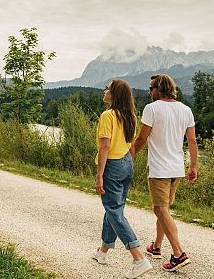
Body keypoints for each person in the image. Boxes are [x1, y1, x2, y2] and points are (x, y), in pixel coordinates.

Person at [131, 74, 198, 272]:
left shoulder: (152, 108)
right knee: (164, 209)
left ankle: (179, 254)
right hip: (177, 168)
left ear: (159, 89)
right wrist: (193, 166)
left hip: (159, 169)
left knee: (160, 209)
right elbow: (192, 141)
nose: (149, 91)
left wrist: (129, 157)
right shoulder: (186, 110)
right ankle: (157, 247)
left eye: (151, 87)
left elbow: (142, 139)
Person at [92, 79, 152, 279]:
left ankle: (139, 258)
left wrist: (100, 174)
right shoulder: (130, 116)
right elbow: (130, 144)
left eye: (107, 88)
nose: (104, 91)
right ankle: (103, 251)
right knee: (114, 208)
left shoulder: (107, 115)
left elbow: (105, 147)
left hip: (112, 165)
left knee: (114, 210)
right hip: (126, 163)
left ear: (115, 94)